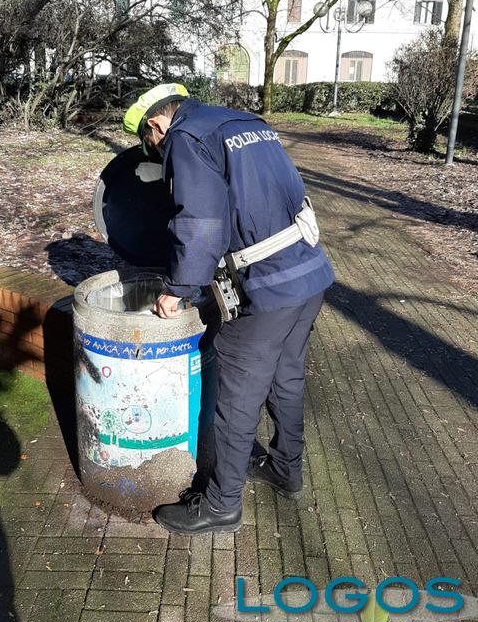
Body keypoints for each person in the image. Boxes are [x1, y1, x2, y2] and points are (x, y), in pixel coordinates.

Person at [122, 83, 335, 535]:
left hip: (268, 288)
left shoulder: (185, 137)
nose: (155, 151)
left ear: (156, 124)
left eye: (149, 143)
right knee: (287, 376)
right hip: (309, 271)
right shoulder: (242, 122)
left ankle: (221, 505)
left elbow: (200, 219)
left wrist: (178, 288)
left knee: (236, 399)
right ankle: (285, 468)